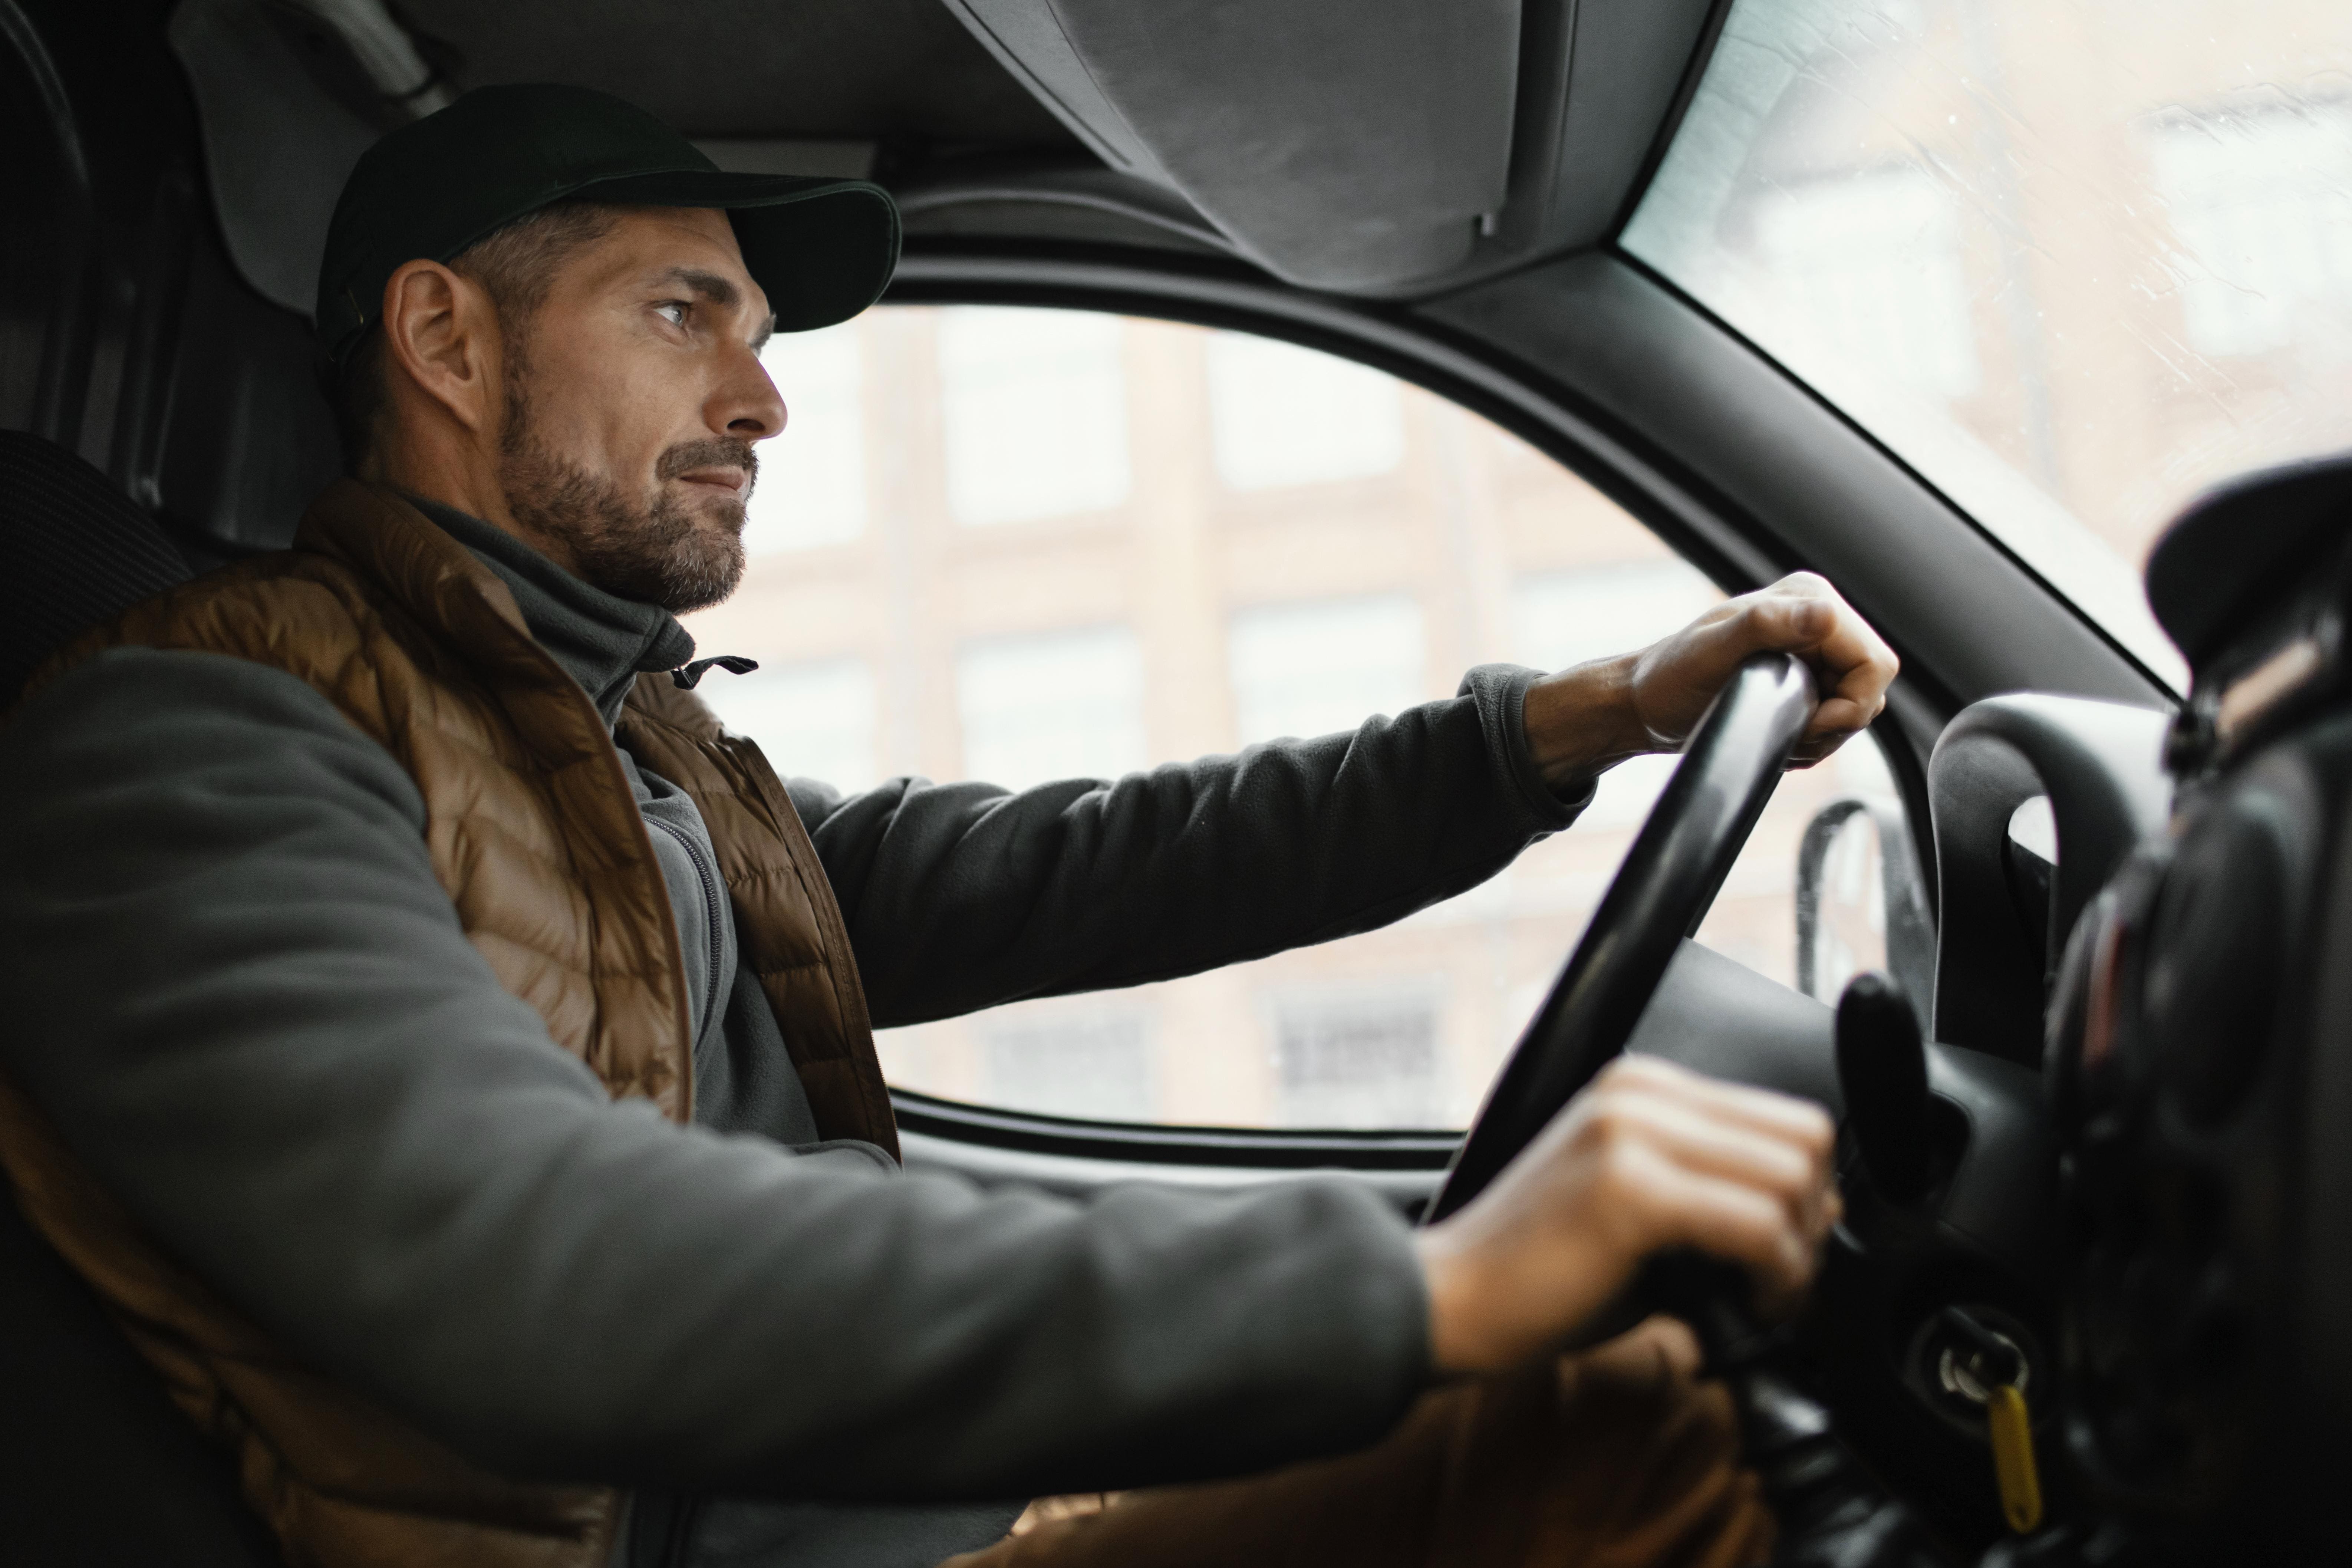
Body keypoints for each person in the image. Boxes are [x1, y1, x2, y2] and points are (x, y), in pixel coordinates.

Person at [0, 85, 1896, 1568]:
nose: (760, 398)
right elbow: (525, 1247)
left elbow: (1087, 860)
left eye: (754, 337)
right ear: (446, 339)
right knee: (1646, 1427)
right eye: (686, 314)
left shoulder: (635, 748)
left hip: (908, 1524)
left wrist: (1570, 722)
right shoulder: (196, 743)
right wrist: (1407, 1288)